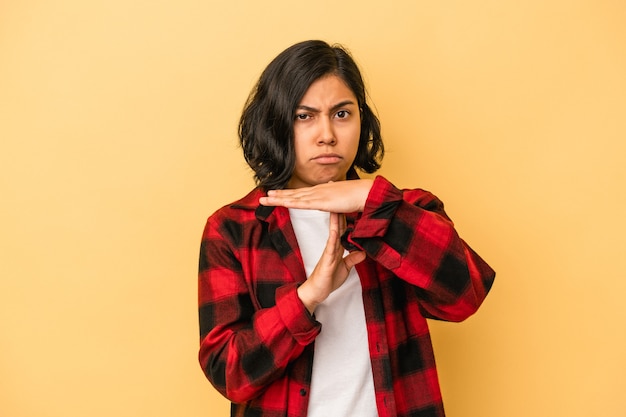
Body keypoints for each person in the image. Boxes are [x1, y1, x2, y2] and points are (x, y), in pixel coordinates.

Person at [198, 39, 495, 417]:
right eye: (304, 116)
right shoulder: (233, 231)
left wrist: (375, 201)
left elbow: (464, 297)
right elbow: (229, 374)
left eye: (342, 114)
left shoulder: (406, 211)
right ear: (276, 123)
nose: (327, 135)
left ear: (361, 120)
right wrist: (308, 297)